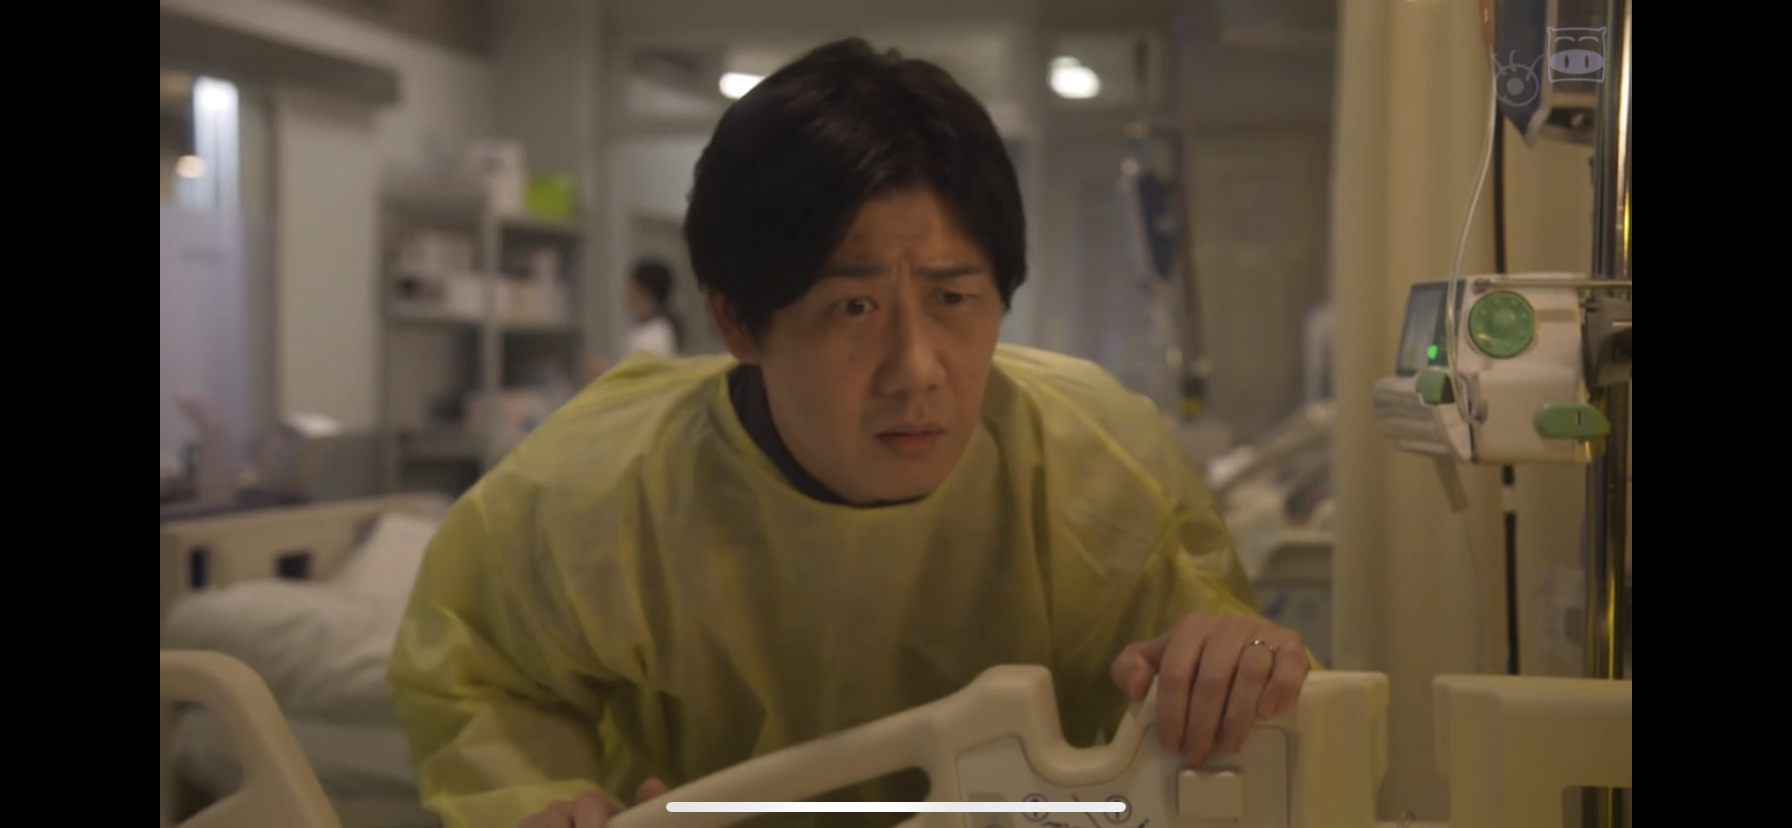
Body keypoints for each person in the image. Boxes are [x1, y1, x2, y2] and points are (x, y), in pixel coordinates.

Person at [388, 37, 1316, 828]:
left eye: (953, 298)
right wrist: (549, 800)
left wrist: (1236, 665)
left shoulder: (1097, 468)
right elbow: (481, 677)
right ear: (736, 319)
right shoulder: (593, 494)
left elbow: (1222, 676)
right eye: (854, 307)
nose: (917, 368)